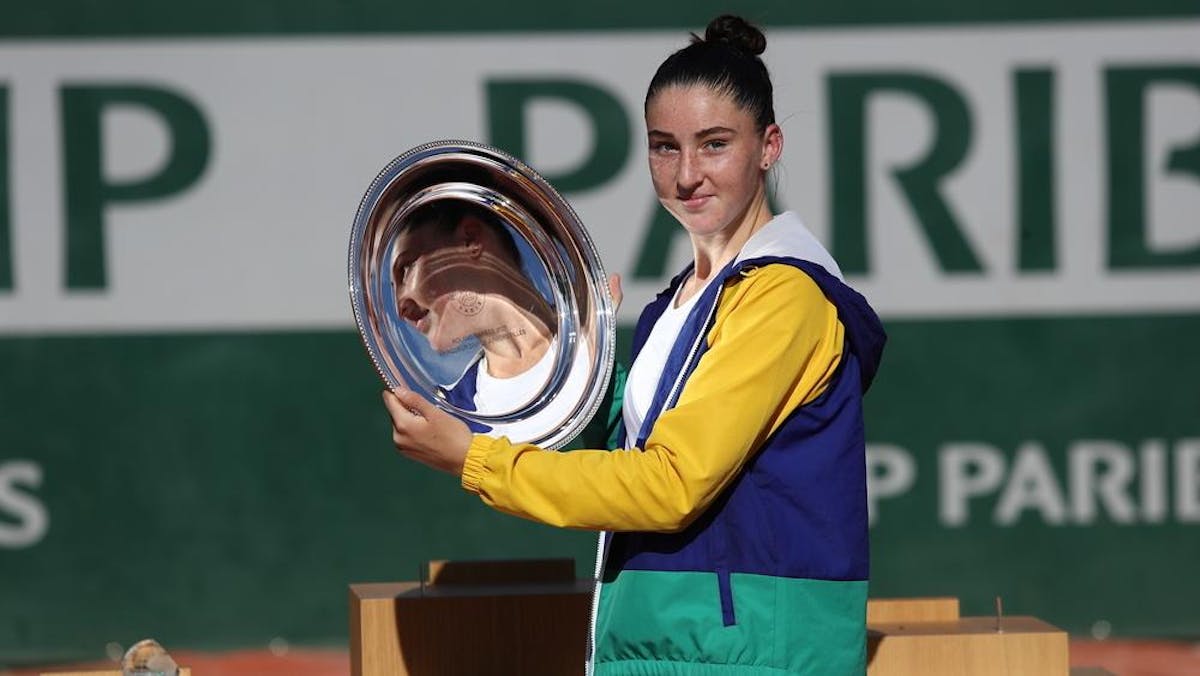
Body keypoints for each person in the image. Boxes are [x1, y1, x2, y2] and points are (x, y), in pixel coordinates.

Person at [382, 14, 886, 675]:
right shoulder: (677, 304)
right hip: (666, 649)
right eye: (663, 147)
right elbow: (622, 466)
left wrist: (476, 461)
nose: (686, 176)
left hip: (752, 659)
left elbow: (671, 485)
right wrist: (576, 371)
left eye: (714, 145)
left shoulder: (785, 299)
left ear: (769, 146)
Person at [390, 200, 595, 441]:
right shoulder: (455, 418)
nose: (398, 307)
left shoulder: (596, 339)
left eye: (405, 268)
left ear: (471, 241)